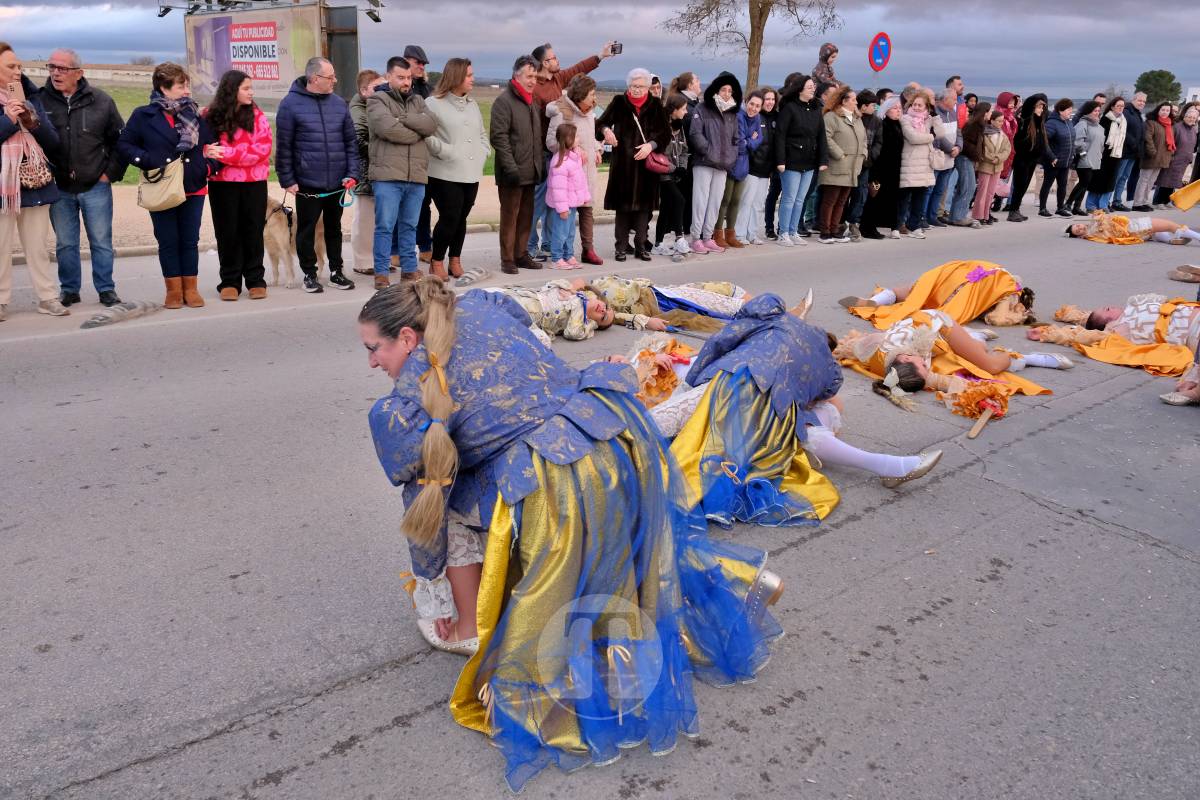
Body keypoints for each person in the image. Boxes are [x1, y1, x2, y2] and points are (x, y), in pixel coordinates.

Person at [361, 279, 784, 792]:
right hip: (614, 437)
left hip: (558, 479)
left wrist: (432, 588)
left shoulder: (403, 405)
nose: (371, 364)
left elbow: (424, 504)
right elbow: (530, 344)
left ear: (407, 337)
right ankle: (735, 588)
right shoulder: (479, 304)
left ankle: (477, 633)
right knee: (641, 555)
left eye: (373, 349)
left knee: (461, 515)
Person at [118, 62, 217, 309]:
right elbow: (125, 145)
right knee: (168, 240)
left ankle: (190, 289)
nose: (187, 91)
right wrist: (150, 161)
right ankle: (173, 291)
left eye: (187, 85)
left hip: (193, 187)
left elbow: (215, 148)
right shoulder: (143, 115)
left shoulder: (195, 114)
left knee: (189, 240)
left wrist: (207, 168)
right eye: (181, 86)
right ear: (163, 87)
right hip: (161, 186)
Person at [836, 309, 1071, 412]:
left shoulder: (917, 344)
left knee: (988, 366)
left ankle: (1026, 358)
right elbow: (936, 380)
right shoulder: (894, 368)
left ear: (906, 357)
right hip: (922, 336)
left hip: (938, 324)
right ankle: (975, 338)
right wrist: (980, 398)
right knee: (960, 363)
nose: (926, 369)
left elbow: (935, 372)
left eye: (922, 366)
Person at [40, 47, 125, 308]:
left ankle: (106, 289)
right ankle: (69, 290)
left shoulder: (101, 101)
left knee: (101, 241)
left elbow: (120, 142)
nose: (55, 73)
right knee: (65, 244)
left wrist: (108, 175)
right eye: (51, 67)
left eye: (62, 68)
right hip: (59, 187)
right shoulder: (40, 100)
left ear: (78, 73)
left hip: (95, 186)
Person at [275, 56, 358, 294]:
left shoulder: (339, 104)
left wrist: (352, 173)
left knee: (334, 229)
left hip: (337, 182)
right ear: (314, 78)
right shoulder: (290, 104)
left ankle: (336, 272)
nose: (335, 80)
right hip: (307, 183)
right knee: (306, 230)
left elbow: (350, 143)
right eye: (330, 77)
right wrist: (287, 179)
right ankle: (309, 275)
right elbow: (284, 146)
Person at [527, 41, 615, 262]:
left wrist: (600, 56)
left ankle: (548, 244)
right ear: (543, 63)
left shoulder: (557, 78)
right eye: (553, 58)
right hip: (545, 151)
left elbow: (578, 70)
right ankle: (529, 246)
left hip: (564, 150)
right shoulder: (535, 88)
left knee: (554, 204)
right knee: (537, 204)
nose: (557, 61)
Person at [0, 42, 67, 320]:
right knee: (0, 246)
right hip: (4, 185)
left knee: (38, 246)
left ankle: (48, 297)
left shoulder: (32, 96)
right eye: (11, 67)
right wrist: (6, 121)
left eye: (19, 66)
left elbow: (54, 143)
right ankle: (1, 301)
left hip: (35, 180)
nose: (18, 71)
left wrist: (32, 122)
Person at [1026, 296, 1198, 400]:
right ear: (1108, 321)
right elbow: (1084, 334)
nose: (1111, 306)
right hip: (1192, 330)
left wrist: (1070, 315)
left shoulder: (1133, 308)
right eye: (1107, 309)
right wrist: (1048, 333)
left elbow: (1088, 317)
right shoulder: (1118, 329)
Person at [367, 58, 437, 290]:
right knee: (385, 226)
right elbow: (388, 130)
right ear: (388, 77)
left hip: (415, 175)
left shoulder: (418, 100)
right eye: (401, 77)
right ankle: (381, 272)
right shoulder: (377, 99)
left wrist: (405, 119)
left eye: (408, 78)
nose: (406, 82)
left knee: (410, 225)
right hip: (388, 176)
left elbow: (430, 126)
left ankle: (409, 269)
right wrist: (416, 132)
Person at [204, 70, 272, 301]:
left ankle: (255, 279)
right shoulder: (211, 116)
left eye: (251, 88)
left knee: (253, 231)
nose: (251, 92)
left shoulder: (258, 116)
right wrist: (236, 155)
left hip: (254, 183)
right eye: (246, 88)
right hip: (222, 184)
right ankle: (230, 281)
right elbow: (209, 150)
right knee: (227, 232)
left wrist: (229, 154)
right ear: (231, 90)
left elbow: (263, 150)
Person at [426, 58, 489, 282]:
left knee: (462, 217)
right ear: (456, 77)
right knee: (449, 216)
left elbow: (482, 134)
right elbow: (426, 136)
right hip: (444, 172)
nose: (473, 79)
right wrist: (447, 151)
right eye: (469, 75)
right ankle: (436, 261)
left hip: (470, 171)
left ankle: (455, 259)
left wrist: (484, 152)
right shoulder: (433, 103)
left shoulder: (471, 104)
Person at [597, 68, 670, 261]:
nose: (635, 90)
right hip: (623, 166)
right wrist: (606, 131)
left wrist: (651, 145)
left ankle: (641, 246)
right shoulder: (619, 102)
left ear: (647, 87)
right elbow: (600, 123)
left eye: (639, 86)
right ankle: (620, 247)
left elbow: (665, 134)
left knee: (643, 210)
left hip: (646, 167)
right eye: (632, 86)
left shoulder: (656, 105)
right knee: (623, 210)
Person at [839, 260, 1035, 331]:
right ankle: (884, 305)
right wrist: (1020, 317)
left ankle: (880, 299)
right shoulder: (1010, 292)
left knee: (918, 289)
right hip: (963, 290)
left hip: (953, 272)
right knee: (932, 311)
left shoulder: (1002, 274)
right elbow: (996, 319)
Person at [491, 56, 543, 276]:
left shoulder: (533, 102)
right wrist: (511, 168)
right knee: (510, 217)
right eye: (529, 76)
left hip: (530, 171)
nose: (533, 80)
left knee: (526, 217)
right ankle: (507, 258)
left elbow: (535, 138)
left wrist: (539, 165)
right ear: (516, 76)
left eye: (535, 76)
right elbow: (499, 138)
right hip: (511, 172)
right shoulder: (504, 102)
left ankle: (521, 254)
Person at [546, 74, 602, 266]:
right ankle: (558, 254)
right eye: (591, 94)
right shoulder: (563, 113)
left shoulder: (589, 113)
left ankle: (588, 249)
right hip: (569, 172)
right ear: (580, 96)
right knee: (565, 221)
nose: (594, 98)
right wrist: (576, 149)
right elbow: (553, 142)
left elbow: (590, 137)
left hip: (586, 172)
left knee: (587, 210)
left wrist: (596, 149)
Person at [350, 69, 399, 278]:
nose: (381, 91)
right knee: (365, 218)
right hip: (365, 169)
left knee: (381, 219)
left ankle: (379, 258)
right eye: (376, 87)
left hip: (379, 167)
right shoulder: (358, 110)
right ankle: (363, 260)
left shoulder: (376, 105)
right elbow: (360, 140)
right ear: (363, 90)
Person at [686, 71, 740, 254]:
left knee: (715, 202)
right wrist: (709, 151)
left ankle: (708, 237)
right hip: (704, 162)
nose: (726, 93)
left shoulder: (732, 113)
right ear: (716, 90)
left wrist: (731, 157)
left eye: (729, 90)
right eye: (723, 89)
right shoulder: (702, 108)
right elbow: (695, 134)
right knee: (700, 201)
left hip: (723, 165)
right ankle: (695, 238)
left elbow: (736, 139)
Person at [773, 74, 825, 247]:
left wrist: (822, 159)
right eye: (809, 86)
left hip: (809, 161)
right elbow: (780, 135)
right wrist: (780, 160)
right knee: (789, 198)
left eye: (814, 87)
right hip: (791, 161)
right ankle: (783, 233)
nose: (813, 89)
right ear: (800, 88)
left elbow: (821, 136)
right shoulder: (789, 108)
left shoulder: (817, 108)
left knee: (800, 199)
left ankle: (794, 231)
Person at [816, 85, 865, 244]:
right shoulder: (831, 117)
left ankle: (835, 229)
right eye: (853, 99)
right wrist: (839, 154)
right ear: (843, 101)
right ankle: (825, 231)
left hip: (853, 166)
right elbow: (826, 138)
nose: (856, 102)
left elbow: (863, 139)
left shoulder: (857, 118)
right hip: (837, 165)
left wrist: (864, 154)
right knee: (830, 199)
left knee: (842, 200)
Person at [650, 93, 692, 260]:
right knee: (679, 200)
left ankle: (658, 244)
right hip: (663, 175)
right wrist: (674, 169)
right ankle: (679, 238)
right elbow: (659, 154)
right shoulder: (661, 126)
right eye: (683, 108)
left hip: (674, 174)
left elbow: (683, 150)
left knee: (667, 208)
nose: (686, 111)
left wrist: (682, 167)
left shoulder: (679, 126)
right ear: (674, 110)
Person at [543, 122, 589, 269]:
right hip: (563, 205)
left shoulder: (573, 158)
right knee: (560, 232)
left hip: (572, 203)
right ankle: (556, 258)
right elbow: (558, 189)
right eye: (575, 137)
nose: (578, 139)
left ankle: (568, 255)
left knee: (569, 232)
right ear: (567, 139)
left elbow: (579, 180)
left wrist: (584, 196)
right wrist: (562, 208)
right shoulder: (560, 162)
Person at [861, 95, 903, 239]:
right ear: (886, 110)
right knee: (874, 196)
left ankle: (893, 225)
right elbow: (878, 145)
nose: (898, 111)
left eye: (899, 108)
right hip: (879, 168)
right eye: (894, 108)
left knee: (892, 198)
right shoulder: (883, 124)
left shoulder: (898, 125)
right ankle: (867, 226)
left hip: (894, 169)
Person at [734, 91, 772, 246]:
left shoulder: (757, 118)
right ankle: (739, 233)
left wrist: (752, 141)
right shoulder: (740, 116)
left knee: (758, 204)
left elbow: (760, 138)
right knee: (746, 202)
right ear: (746, 101)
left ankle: (752, 233)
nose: (754, 108)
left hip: (764, 168)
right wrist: (752, 141)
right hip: (750, 166)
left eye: (758, 106)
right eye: (752, 104)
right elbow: (743, 144)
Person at [898, 89, 936, 239]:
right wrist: (930, 137)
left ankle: (915, 225)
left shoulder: (928, 119)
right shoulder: (905, 119)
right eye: (914, 104)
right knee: (904, 196)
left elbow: (940, 133)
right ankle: (899, 223)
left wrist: (936, 117)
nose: (917, 107)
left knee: (920, 197)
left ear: (926, 107)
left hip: (924, 164)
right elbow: (912, 137)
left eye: (920, 105)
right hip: (910, 162)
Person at [1007, 94, 1050, 221]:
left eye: (1042, 107)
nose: (1041, 110)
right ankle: (1013, 210)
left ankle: (1016, 209)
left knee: (1024, 186)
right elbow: (1019, 142)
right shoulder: (1024, 121)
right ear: (1032, 107)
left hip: (1033, 160)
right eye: (1039, 107)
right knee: (1019, 185)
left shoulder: (1039, 122)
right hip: (1022, 159)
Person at [843, 89, 878, 241]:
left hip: (865, 163)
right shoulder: (855, 118)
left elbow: (878, 142)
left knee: (861, 194)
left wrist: (869, 157)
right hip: (849, 162)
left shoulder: (876, 121)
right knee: (844, 193)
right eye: (872, 105)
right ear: (863, 106)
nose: (874, 108)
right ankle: (840, 222)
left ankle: (853, 222)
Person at [924, 88, 959, 229]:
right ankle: (923, 216)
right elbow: (938, 137)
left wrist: (958, 147)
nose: (956, 102)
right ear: (946, 100)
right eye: (954, 99)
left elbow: (959, 132)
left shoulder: (953, 113)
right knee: (929, 190)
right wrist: (951, 148)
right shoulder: (935, 114)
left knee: (940, 190)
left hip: (950, 158)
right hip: (938, 157)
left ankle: (933, 216)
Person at [1085, 97, 1127, 213]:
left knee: (1110, 181)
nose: (1120, 108)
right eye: (1118, 105)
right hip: (1103, 155)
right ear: (1112, 106)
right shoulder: (1105, 119)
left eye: (1122, 106)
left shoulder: (1123, 121)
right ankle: (1091, 205)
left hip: (1116, 155)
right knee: (1098, 181)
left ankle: (1103, 204)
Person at [1133, 102, 1177, 211]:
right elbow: (1148, 139)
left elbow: (1170, 142)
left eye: (1167, 110)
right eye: (1163, 110)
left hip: (1162, 158)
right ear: (1158, 110)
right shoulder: (1151, 122)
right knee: (1144, 180)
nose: (1165, 112)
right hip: (1151, 157)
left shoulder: (1169, 124)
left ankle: (1144, 202)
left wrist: (1169, 154)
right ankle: (1137, 203)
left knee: (1151, 181)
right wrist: (1152, 152)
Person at [971, 109, 1010, 224]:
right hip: (985, 166)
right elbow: (983, 149)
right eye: (998, 121)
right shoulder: (984, 133)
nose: (1001, 123)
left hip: (997, 166)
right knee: (982, 191)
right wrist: (991, 157)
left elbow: (1007, 149)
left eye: (1002, 121)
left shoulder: (1002, 134)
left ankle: (986, 214)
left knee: (991, 192)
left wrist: (998, 158)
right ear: (992, 121)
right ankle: (978, 215)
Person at [1038, 98, 1075, 218]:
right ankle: (1042, 208)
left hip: (1066, 160)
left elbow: (1071, 140)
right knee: (1047, 184)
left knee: (1062, 185)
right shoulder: (1051, 123)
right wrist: (1052, 157)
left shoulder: (1068, 122)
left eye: (1071, 109)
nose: (1071, 111)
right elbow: (1044, 142)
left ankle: (1060, 207)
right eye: (1069, 109)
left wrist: (1073, 154)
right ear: (1060, 110)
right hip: (1053, 161)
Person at [1066, 213, 1200, 245]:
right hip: (1134, 227)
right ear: (1080, 236)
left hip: (1133, 229)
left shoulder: (1092, 229)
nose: (1080, 227)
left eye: (1077, 226)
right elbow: (1112, 231)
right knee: (1171, 225)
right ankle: (1196, 237)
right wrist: (1101, 218)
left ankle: (1171, 240)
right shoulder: (1093, 233)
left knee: (1156, 233)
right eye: (1078, 231)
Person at [1155, 104, 1198, 204]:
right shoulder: (1177, 127)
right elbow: (1169, 142)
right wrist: (1171, 156)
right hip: (1173, 158)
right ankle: (1158, 202)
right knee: (1165, 181)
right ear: (1185, 117)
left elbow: (1192, 145)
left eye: (1194, 118)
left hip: (1184, 161)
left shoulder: (1193, 130)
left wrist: (1189, 158)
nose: (1191, 119)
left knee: (1174, 182)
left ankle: (1166, 201)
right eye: (1189, 117)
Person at [1067, 100, 1103, 215]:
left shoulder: (1098, 125)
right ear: (1088, 111)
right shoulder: (1083, 123)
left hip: (1095, 159)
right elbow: (1077, 141)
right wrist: (1083, 154)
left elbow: (1101, 143)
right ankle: (1068, 204)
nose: (1097, 113)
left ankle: (1076, 207)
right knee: (1083, 182)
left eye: (1098, 110)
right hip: (1084, 159)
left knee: (1085, 184)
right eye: (1094, 111)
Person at [1115, 92, 1147, 210]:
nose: (1142, 103)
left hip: (1134, 153)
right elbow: (1124, 131)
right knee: (1118, 176)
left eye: (1144, 101)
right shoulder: (1127, 112)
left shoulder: (1138, 114)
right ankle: (1107, 201)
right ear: (1133, 99)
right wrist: (1134, 144)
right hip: (1125, 151)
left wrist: (1140, 149)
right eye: (1139, 100)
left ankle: (1117, 201)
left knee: (1124, 177)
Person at [759, 87, 782, 238]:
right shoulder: (757, 116)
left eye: (773, 99)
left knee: (775, 193)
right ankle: (768, 227)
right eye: (767, 99)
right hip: (759, 163)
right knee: (767, 196)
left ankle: (777, 227)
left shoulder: (778, 117)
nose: (770, 102)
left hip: (777, 163)